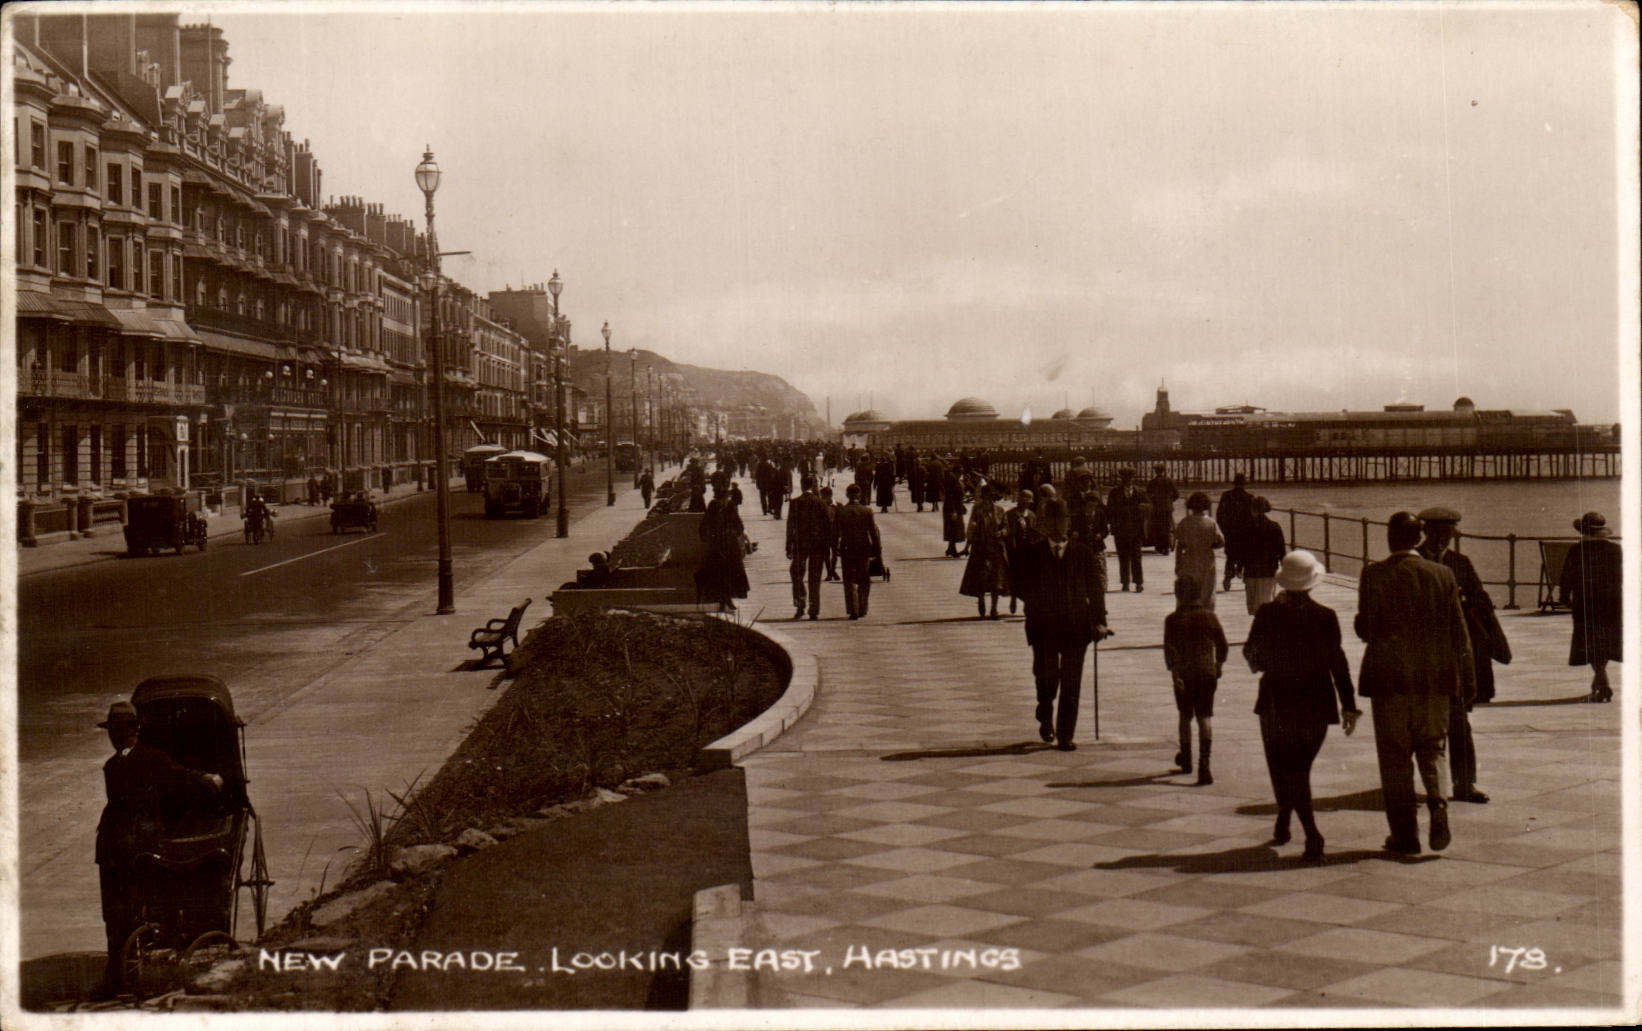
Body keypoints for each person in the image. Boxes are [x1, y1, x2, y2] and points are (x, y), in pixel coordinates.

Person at [1355, 511, 1475, 856]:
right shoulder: (1443, 573)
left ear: (1390, 537)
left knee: (1395, 757)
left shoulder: (1373, 574)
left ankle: (1405, 835)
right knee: (1433, 747)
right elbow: (1460, 633)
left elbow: (1366, 628)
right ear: (1418, 537)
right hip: (1435, 680)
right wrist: (1465, 679)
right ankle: (1438, 802)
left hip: (1389, 680)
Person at [93, 700, 223, 999]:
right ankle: (120, 975)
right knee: (113, 914)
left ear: (133, 730)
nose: (114, 735)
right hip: (115, 849)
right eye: (111, 730)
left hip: (134, 848)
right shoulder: (113, 765)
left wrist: (205, 778)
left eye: (119, 729)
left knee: (125, 912)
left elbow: (179, 774)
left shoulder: (149, 759)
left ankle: (122, 976)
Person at [1242, 550, 1360, 860]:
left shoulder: (1267, 614)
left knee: (1283, 766)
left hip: (1275, 699)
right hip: (1317, 701)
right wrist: (1349, 705)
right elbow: (1338, 662)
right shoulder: (1325, 616)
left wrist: (1266, 661)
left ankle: (1308, 831)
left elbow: (1251, 653)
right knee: (1299, 768)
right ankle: (1290, 822)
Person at [1418, 506, 1509, 803]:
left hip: (1454, 656)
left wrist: (1466, 603)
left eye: (1448, 534)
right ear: (1426, 531)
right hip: (1424, 654)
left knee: (1459, 722)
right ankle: (1430, 785)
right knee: (1423, 727)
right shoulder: (1414, 561)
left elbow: (1481, 599)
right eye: (1439, 533)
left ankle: (1464, 784)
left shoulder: (1461, 562)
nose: (1443, 540)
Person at [1018, 499, 1113, 751]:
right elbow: (1021, 587)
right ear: (1044, 523)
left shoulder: (1083, 553)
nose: (1058, 525)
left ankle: (1065, 734)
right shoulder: (1033, 553)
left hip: (1076, 627)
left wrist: (1100, 622)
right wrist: (1037, 605)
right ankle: (1045, 709)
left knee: (1071, 682)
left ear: (1069, 522)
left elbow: (1095, 590)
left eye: (1062, 520)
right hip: (1044, 628)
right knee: (1047, 678)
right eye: (1052, 520)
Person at [1163, 575, 1228, 785]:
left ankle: (1186, 757)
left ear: (1178, 595)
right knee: (1204, 717)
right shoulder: (1210, 617)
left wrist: (1175, 676)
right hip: (1206, 672)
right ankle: (1204, 764)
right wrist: (1218, 665)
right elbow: (1223, 646)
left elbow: (1170, 653)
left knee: (1185, 716)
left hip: (1184, 674)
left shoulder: (1172, 620)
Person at [1560, 511, 1622, 703]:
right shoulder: (1615, 549)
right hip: (1612, 601)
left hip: (1585, 602)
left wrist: (1564, 597)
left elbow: (1566, 577)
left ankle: (1602, 682)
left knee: (1591, 640)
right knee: (1605, 641)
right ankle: (1600, 681)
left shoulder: (1576, 550)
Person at [960, 483, 1010, 619]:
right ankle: (981, 600)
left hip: (996, 548)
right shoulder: (977, 509)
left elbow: (1006, 527)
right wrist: (967, 546)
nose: (990, 499)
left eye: (992, 496)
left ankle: (994, 609)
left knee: (996, 580)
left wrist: (1002, 532)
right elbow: (971, 528)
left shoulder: (1000, 510)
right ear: (983, 496)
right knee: (981, 578)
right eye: (987, 496)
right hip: (980, 548)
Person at [695, 483, 749, 605]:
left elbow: (739, 525)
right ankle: (722, 598)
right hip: (718, 546)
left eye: (726, 499)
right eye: (724, 499)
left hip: (729, 545)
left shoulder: (730, 507)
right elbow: (704, 526)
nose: (725, 501)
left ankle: (728, 598)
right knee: (720, 573)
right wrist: (709, 537)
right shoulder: (713, 507)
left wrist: (733, 532)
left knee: (730, 573)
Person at [786, 477, 831, 620]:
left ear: (801, 485)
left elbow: (790, 526)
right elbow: (828, 524)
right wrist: (828, 545)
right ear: (813, 485)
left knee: (796, 573)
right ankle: (814, 609)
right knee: (815, 577)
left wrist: (788, 545)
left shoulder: (795, 503)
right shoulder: (821, 502)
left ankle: (800, 604)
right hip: (818, 544)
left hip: (800, 544)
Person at [836, 483, 882, 620]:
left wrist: (834, 549)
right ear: (860, 495)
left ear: (847, 495)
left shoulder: (842, 511)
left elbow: (835, 533)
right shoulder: (867, 511)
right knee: (864, 578)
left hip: (847, 548)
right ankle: (862, 607)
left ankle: (853, 609)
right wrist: (877, 550)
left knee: (849, 579)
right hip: (864, 548)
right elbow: (873, 532)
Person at [1173, 492, 1224, 611]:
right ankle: (1206, 614)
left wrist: (1178, 563)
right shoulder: (1211, 522)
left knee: (1188, 590)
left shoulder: (1185, 522)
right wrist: (1211, 546)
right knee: (1207, 591)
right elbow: (1221, 541)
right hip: (1206, 559)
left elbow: (1179, 545)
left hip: (1189, 559)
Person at [1106, 467, 1150, 592]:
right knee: (1123, 556)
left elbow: (1149, 507)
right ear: (1122, 478)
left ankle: (1138, 582)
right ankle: (1125, 582)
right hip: (1120, 530)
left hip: (1136, 530)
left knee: (1137, 556)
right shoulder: (1114, 493)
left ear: (1133, 478)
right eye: (1125, 478)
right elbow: (1109, 510)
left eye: (1130, 477)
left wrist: (1145, 507)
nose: (1128, 480)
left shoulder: (1140, 492)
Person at [1242, 496, 1286, 614]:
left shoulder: (1246, 527)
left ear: (1252, 509)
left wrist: (1238, 568)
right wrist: (1284, 567)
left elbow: (1241, 550)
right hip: (1268, 570)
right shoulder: (1274, 526)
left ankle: (1258, 622)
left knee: (1253, 604)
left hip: (1251, 570)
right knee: (1266, 602)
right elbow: (1281, 550)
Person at [1004, 489, 1041, 615]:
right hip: (1014, 550)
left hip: (1028, 551)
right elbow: (1007, 532)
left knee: (1028, 578)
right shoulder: (1010, 514)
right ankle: (1013, 598)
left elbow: (1035, 532)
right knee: (1014, 576)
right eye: (1023, 501)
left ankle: (1026, 602)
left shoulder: (1031, 515)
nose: (1025, 504)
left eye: (1028, 502)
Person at [1215, 473, 1254, 590]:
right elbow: (1253, 517)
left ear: (1234, 483)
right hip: (1245, 532)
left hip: (1230, 531)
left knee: (1230, 556)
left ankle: (1228, 577)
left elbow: (1219, 514)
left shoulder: (1226, 495)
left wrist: (1224, 529)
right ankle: (1243, 574)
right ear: (1245, 484)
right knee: (1245, 554)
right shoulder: (1250, 497)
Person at [1145, 463, 1179, 555]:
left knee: (1158, 527)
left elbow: (1147, 495)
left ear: (1155, 471)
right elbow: (1177, 494)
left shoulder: (1152, 482)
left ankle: (1159, 547)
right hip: (1167, 508)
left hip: (1157, 507)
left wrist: (1152, 501)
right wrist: (1170, 501)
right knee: (1166, 527)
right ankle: (1166, 548)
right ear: (1164, 471)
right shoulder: (1169, 481)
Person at [941, 463, 967, 558]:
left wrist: (962, 506)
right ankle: (953, 550)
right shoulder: (952, 481)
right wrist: (953, 511)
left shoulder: (956, 480)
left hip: (957, 507)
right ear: (955, 472)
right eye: (959, 472)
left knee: (955, 528)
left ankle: (950, 548)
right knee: (953, 528)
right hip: (952, 508)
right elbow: (950, 497)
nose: (961, 474)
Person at [819, 485, 841, 581]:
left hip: (835, 533)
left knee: (835, 553)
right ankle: (830, 572)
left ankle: (832, 571)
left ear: (830, 495)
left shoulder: (838, 506)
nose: (822, 498)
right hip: (824, 533)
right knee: (826, 554)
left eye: (823, 496)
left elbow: (842, 520)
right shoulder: (820, 506)